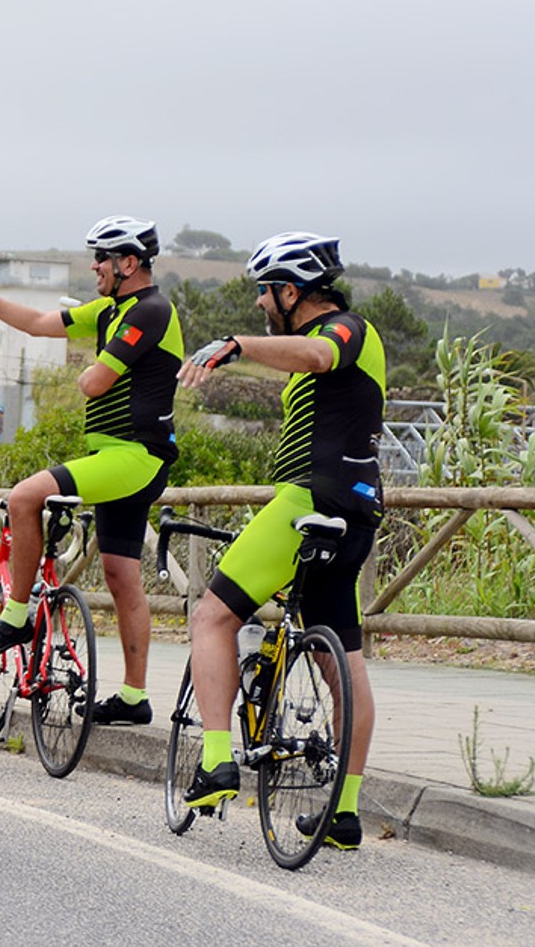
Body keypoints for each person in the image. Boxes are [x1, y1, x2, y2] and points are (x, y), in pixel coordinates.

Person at [176, 232, 384, 850]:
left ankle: (217, 763)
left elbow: (320, 355)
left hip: (305, 504)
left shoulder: (346, 330)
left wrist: (238, 346)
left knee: (212, 616)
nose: (262, 303)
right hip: (358, 517)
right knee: (340, 660)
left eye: (267, 292)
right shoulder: (325, 349)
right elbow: (311, 367)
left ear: (291, 291)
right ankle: (343, 813)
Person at [0, 216, 183, 727]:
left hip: (133, 456)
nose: (94, 265)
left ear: (129, 263)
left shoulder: (151, 310)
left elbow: (94, 383)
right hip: (116, 459)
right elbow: (38, 322)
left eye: (102, 257)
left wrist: (86, 371)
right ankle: (133, 697)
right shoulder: (111, 310)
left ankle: (15, 616)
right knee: (122, 576)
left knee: (25, 497)